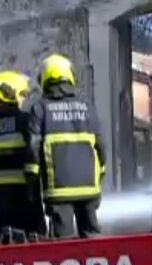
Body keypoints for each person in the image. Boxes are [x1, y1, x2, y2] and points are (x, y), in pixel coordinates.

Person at [28, 53, 107, 239]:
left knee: (62, 245)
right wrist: (100, 172)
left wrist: (32, 180)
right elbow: (101, 144)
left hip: (58, 191)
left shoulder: (40, 109)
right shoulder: (87, 107)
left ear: (45, 79)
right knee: (93, 239)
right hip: (90, 189)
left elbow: (33, 148)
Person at [0, 70, 45, 240]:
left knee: (0, 248)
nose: (22, 100)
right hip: (22, 195)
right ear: (10, 94)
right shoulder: (24, 122)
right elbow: (33, 154)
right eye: (21, 95)